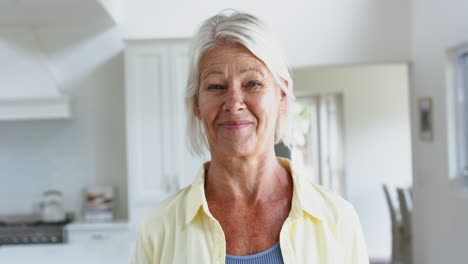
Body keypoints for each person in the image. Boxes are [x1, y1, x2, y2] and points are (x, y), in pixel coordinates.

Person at [133, 10, 369, 264]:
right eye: (215, 86)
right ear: (196, 105)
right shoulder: (158, 229)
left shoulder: (338, 220)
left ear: (281, 96)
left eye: (253, 84)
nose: (234, 103)